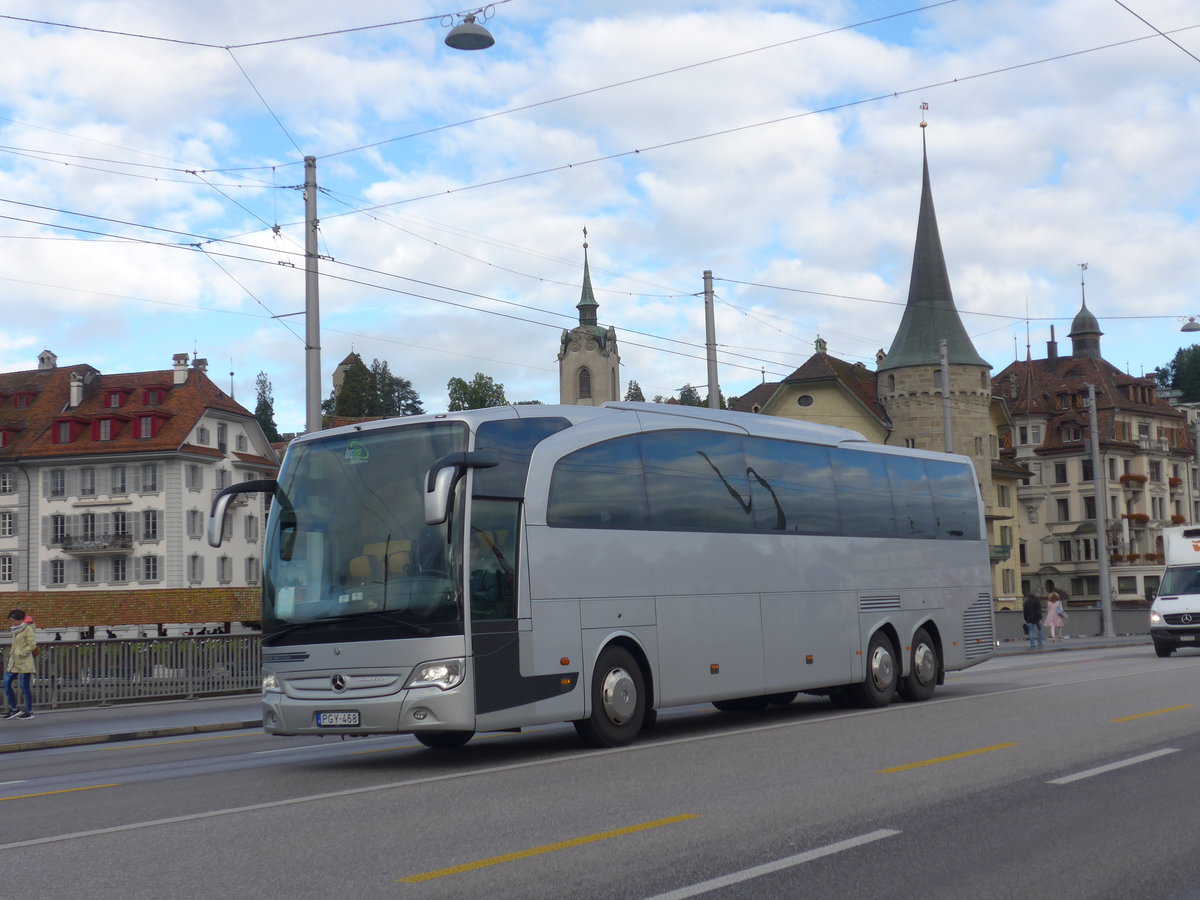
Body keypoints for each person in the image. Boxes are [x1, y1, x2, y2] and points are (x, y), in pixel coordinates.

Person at [4, 608, 37, 719]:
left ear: (20, 620)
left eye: (13, 621)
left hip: (24, 662)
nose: (12, 623)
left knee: (24, 686)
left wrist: (22, 653)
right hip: (14, 662)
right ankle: (14, 709)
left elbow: (32, 645)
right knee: (6, 684)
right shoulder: (16, 629)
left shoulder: (28, 629)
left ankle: (29, 712)